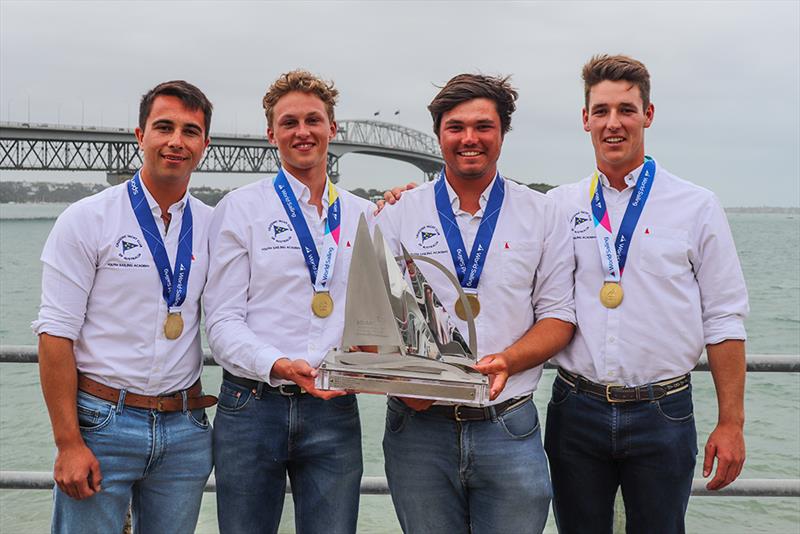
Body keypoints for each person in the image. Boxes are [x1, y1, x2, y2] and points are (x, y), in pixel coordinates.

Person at [544, 54, 748, 533]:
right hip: (576, 409)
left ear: (648, 116)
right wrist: (405, 200)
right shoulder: (558, 205)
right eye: (601, 110)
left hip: (664, 411)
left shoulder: (697, 206)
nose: (613, 123)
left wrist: (731, 422)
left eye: (626, 110)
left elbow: (723, 318)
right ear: (585, 119)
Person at [375, 73, 576, 534]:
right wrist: (404, 383)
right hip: (418, 426)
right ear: (439, 134)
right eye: (456, 126)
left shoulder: (542, 214)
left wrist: (508, 358)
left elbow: (559, 316)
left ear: (502, 132)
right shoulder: (398, 213)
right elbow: (375, 317)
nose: (470, 138)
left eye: (483, 126)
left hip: (507, 422)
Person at [33, 80, 217, 534]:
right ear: (140, 136)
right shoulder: (86, 219)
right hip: (101, 423)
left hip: (185, 428)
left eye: (190, 131)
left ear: (205, 145)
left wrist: (393, 204)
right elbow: (55, 334)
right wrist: (67, 442)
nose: (177, 141)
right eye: (164, 127)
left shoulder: (216, 226)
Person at [204, 69, 375, 534]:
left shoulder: (366, 215)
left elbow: (381, 315)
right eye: (289, 122)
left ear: (333, 128)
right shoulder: (239, 209)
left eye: (314, 120)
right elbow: (220, 321)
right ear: (271, 133)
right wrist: (277, 363)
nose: (303, 132)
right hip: (252, 405)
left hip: (334, 408)